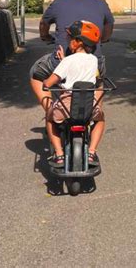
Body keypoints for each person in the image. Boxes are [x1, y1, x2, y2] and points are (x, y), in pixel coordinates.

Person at [30, 0, 114, 108]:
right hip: (94, 61)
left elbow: (44, 23)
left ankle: (51, 109)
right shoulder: (101, 3)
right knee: (99, 81)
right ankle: (95, 110)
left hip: (61, 60)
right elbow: (109, 26)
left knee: (35, 73)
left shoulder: (58, 3)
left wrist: (45, 36)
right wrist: (103, 39)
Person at [42, 20, 105, 167]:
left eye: (70, 38)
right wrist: (66, 61)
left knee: (50, 119)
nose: (68, 40)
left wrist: (46, 82)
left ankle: (59, 154)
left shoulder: (68, 61)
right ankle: (91, 152)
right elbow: (82, 71)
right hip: (89, 107)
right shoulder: (94, 60)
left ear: (78, 42)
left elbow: (49, 83)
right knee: (100, 120)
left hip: (67, 106)